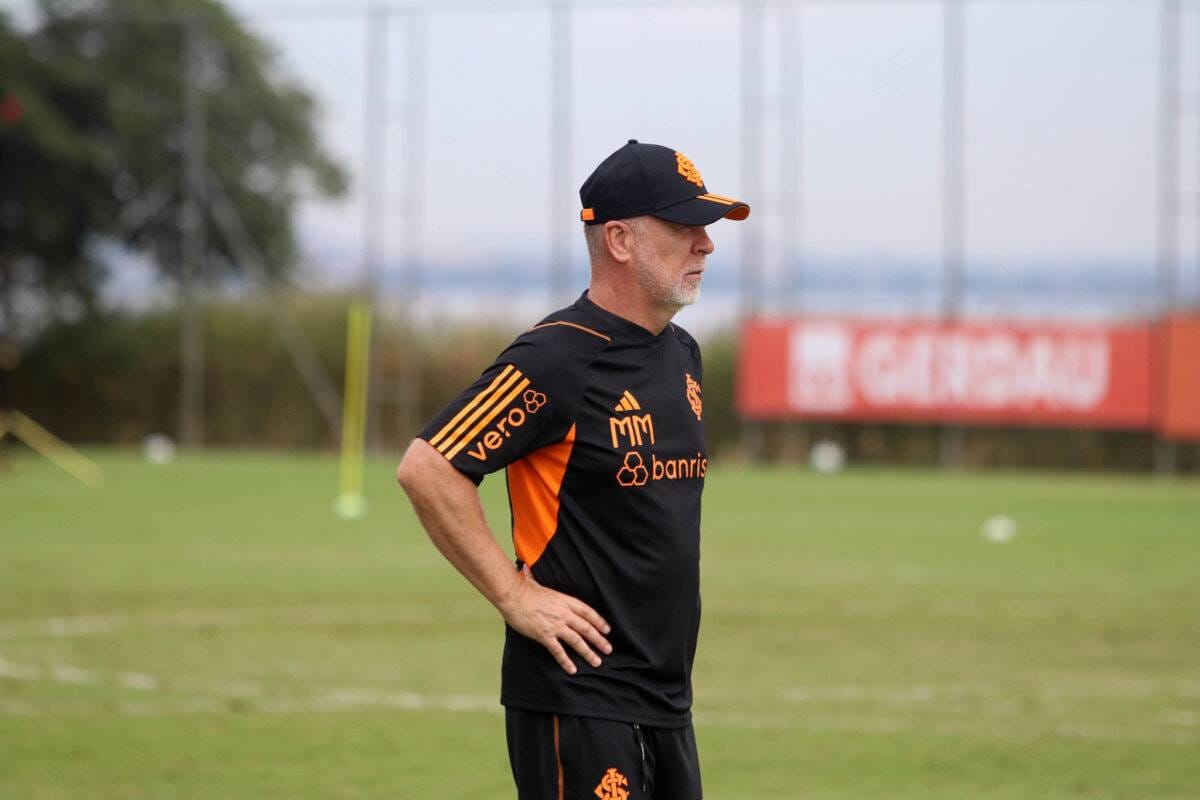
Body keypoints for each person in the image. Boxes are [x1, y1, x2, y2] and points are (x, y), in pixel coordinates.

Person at [396, 139, 749, 800]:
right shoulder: (556, 358)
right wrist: (514, 596)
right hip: (578, 696)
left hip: (666, 701)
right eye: (684, 227)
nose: (706, 244)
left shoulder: (683, 354)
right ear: (620, 240)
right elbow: (429, 466)